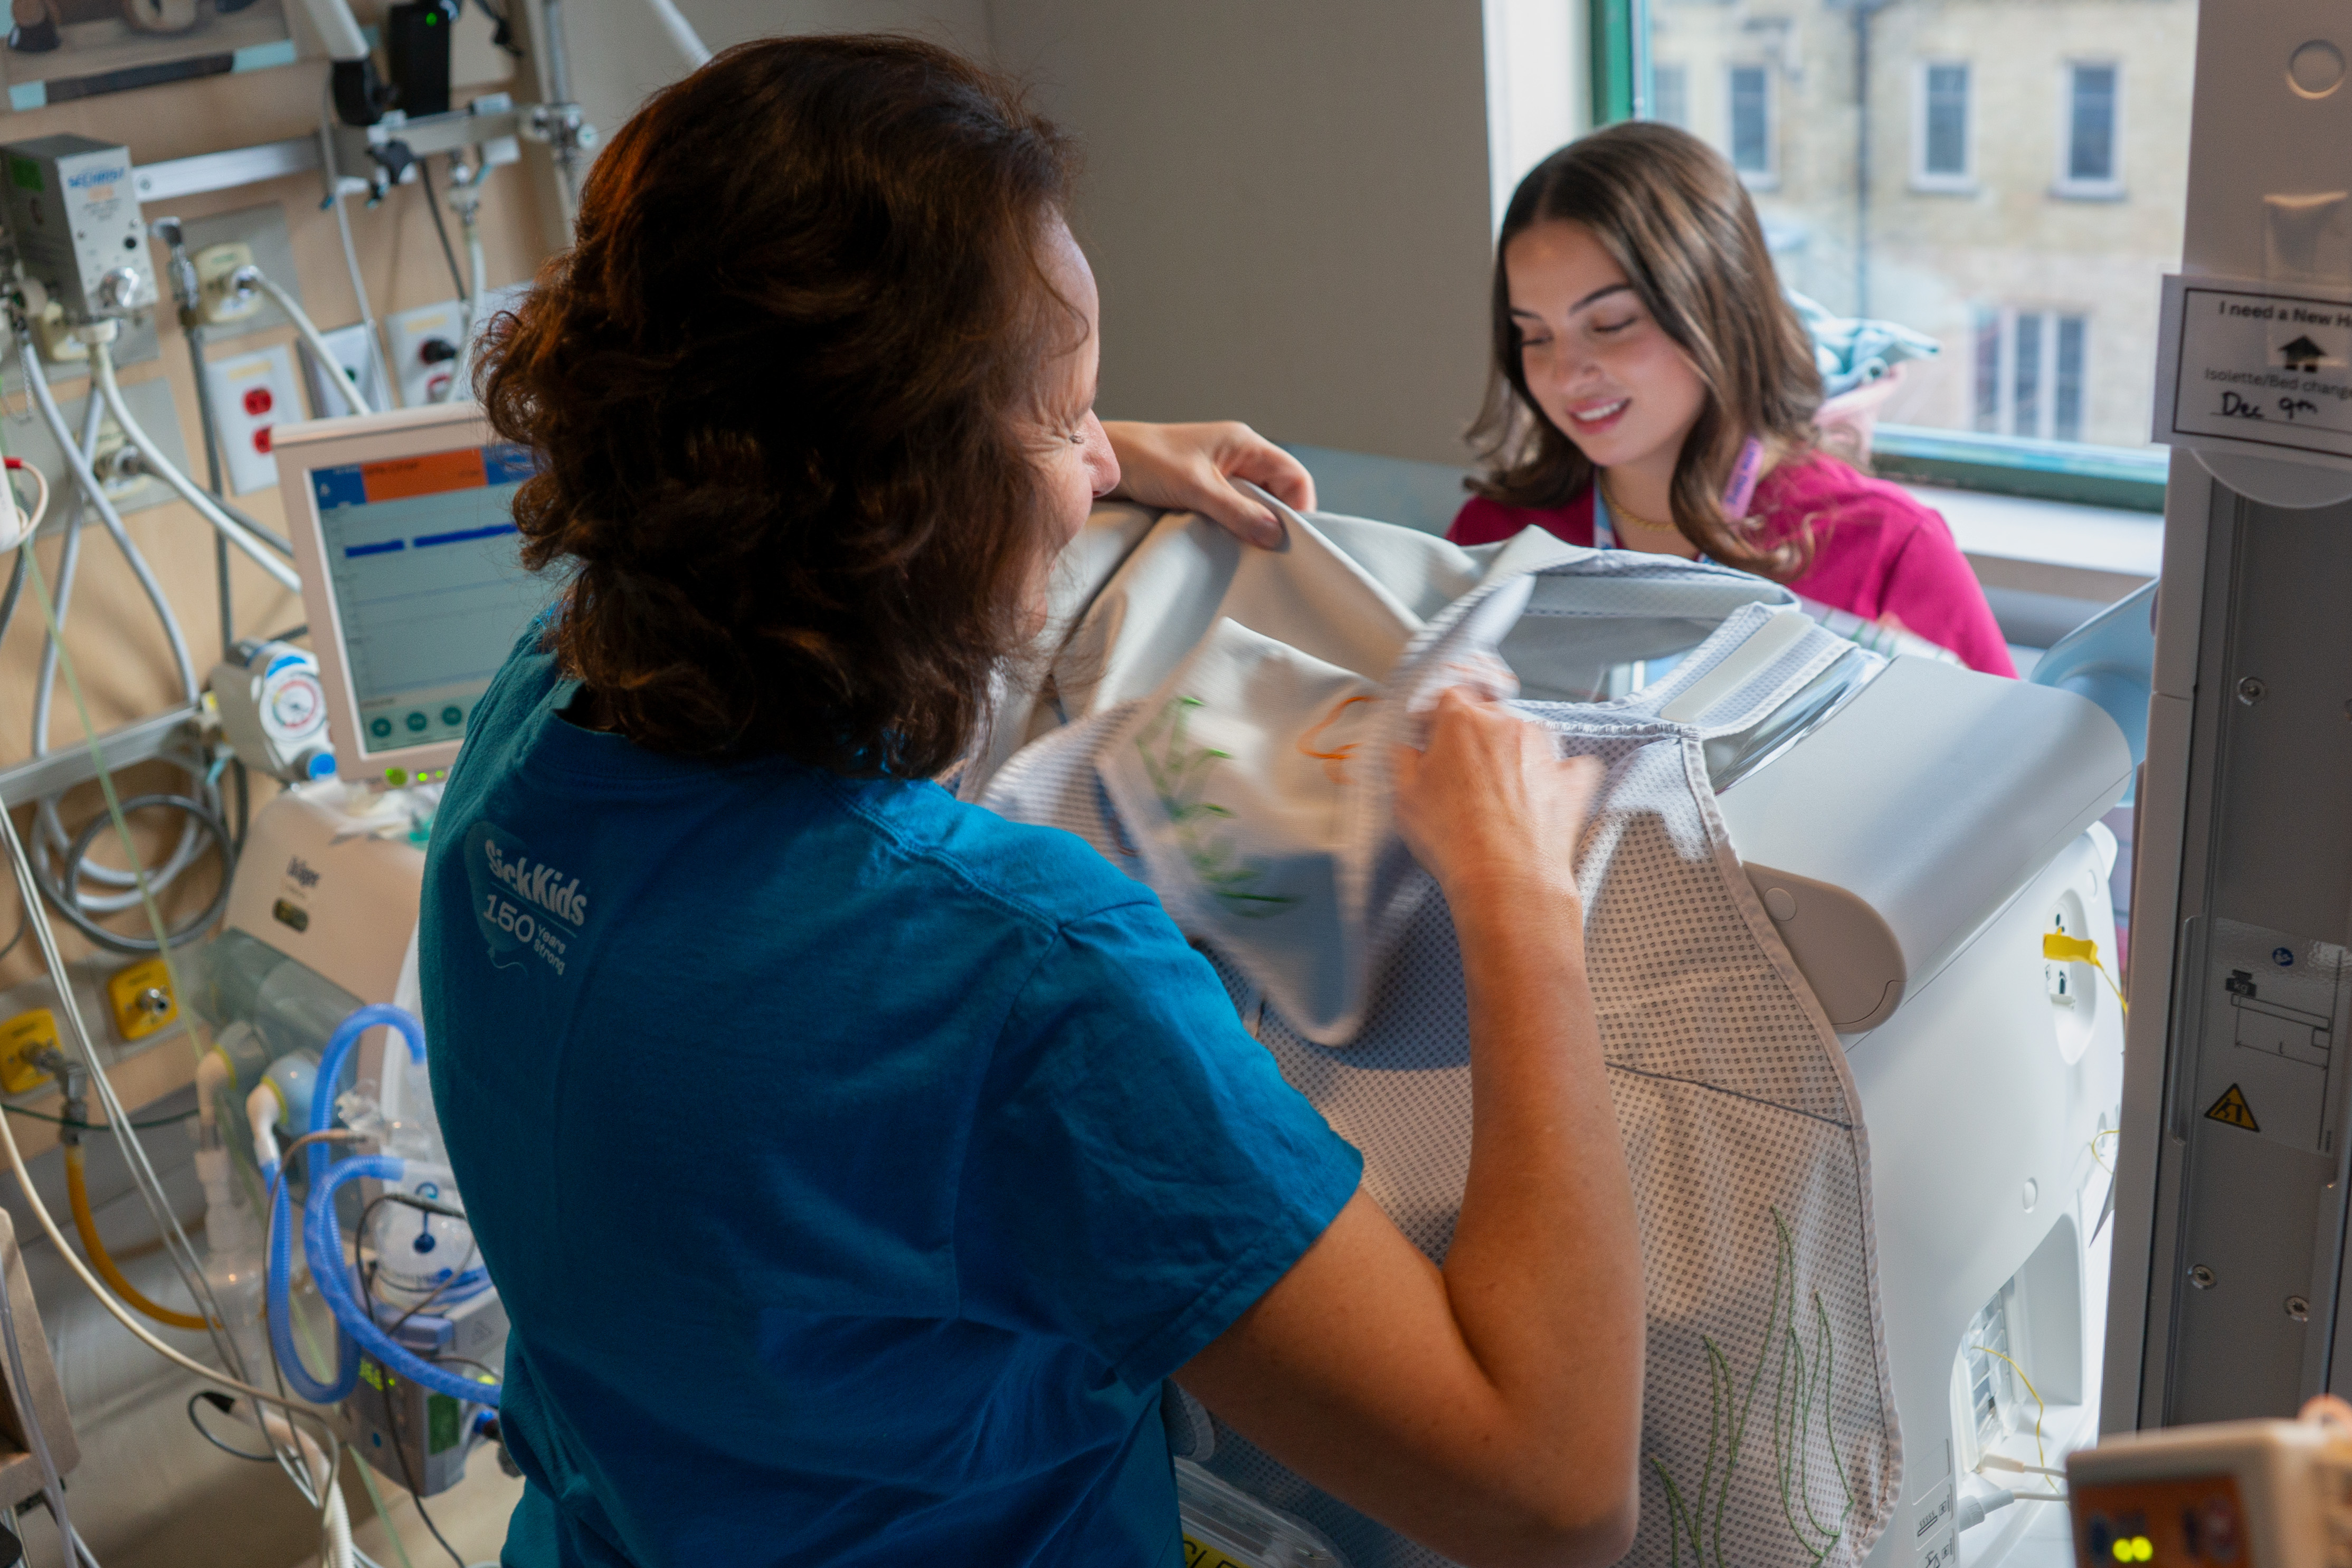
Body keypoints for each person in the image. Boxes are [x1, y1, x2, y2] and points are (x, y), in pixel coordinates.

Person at [421, 35, 1644, 1568]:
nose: (1090, 465)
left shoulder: (539, 714)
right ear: (909, 494)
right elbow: (1551, 1494)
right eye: (1065, 416)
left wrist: (1100, 449)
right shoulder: (1022, 977)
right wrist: (1522, 899)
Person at [1447, 122, 2016, 677]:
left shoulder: (1885, 548)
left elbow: (2022, 765)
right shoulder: (1494, 539)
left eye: (1611, 324)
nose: (1566, 375)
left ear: (1720, 311)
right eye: (1535, 336)